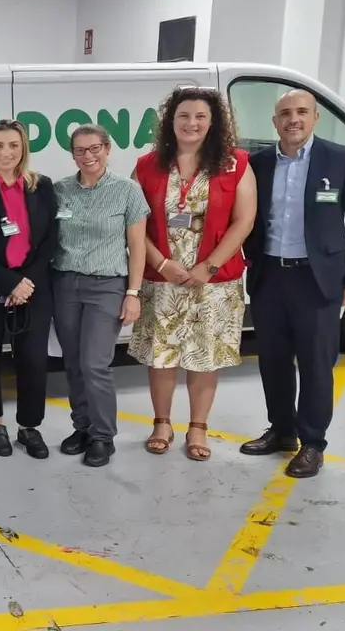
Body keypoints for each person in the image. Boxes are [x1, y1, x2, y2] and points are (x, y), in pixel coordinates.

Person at [239, 89, 345, 478]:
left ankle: (312, 442)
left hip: (318, 281)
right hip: (269, 277)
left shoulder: (342, 159)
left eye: (301, 112)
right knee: (273, 360)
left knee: (317, 364)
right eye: (285, 113)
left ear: (315, 118)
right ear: (274, 122)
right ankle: (281, 430)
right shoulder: (259, 162)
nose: (293, 119)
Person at [128, 87, 257, 461]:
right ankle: (162, 422)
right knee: (161, 355)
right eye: (183, 116)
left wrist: (209, 266)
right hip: (162, 278)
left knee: (205, 355)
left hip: (214, 281)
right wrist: (163, 264)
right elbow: (135, 224)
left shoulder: (236, 163)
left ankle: (198, 427)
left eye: (200, 116)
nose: (192, 123)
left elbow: (244, 220)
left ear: (213, 122)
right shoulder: (146, 165)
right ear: (171, 120)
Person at [51, 124, 149, 468]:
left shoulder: (127, 191)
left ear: (107, 149)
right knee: (74, 363)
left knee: (95, 363)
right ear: (72, 154)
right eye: (80, 151)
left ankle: (103, 436)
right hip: (65, 284)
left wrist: (133, 293)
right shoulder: (60, 189)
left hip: (107, 285)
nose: (88, 156)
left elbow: (137, 247)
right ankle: (83, 427)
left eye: (95, 149)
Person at [0, 119, 59, 459]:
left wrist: (25, 282)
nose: (6, 153)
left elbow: (50, 239)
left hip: (33, 287)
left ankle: (29, 427)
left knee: (33, 359)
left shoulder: (42, 186)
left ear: (23, 149)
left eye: (13, 146)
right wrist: (8, 282)